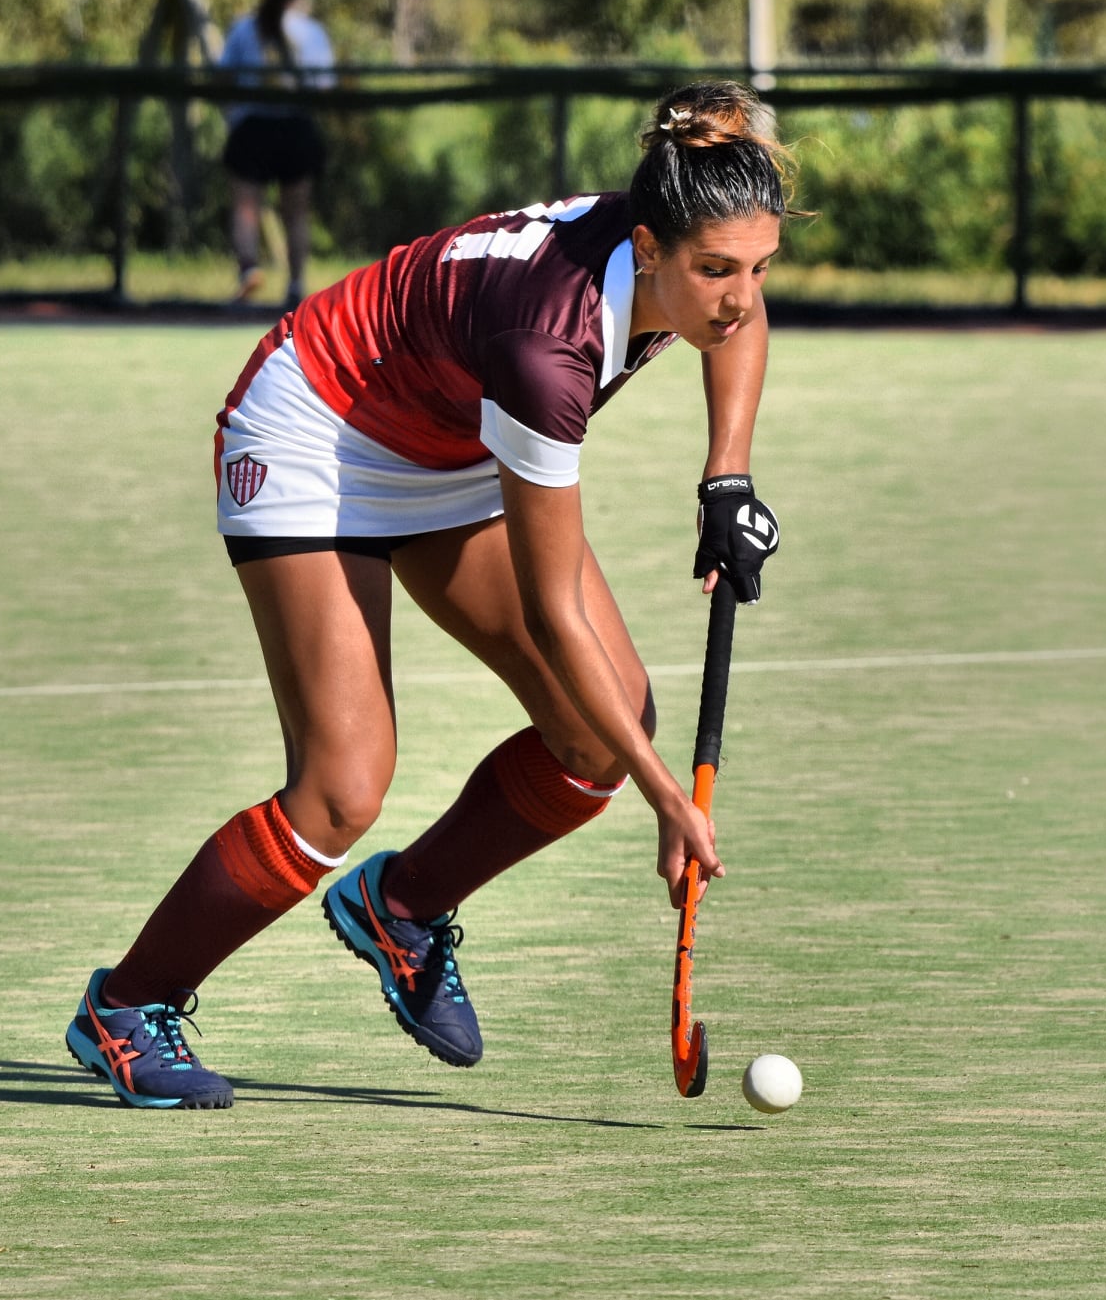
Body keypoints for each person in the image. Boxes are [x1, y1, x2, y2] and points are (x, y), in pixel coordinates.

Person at [66, 81, 793, 1110]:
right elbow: (553, 609)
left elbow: (739, 323)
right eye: (715, 272)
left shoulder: (682, 245)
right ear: (650, 249)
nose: (736, 295)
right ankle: (126, 1007)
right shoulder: (551, 346)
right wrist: (661, 796)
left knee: (597, 731)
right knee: (341, 786)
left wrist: (726, 475)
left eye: (756, 269)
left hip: (449, 438)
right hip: (318, 428)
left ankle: (400, 910)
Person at [216, 0, 334, 309]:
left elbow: (224, 77)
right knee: (296, 212)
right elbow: (325, 86)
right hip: (295, 127)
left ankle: (248, 267)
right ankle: (296, 283)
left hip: (253, 127)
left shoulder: (243, 29)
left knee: (246, 205)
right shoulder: (311, 32)